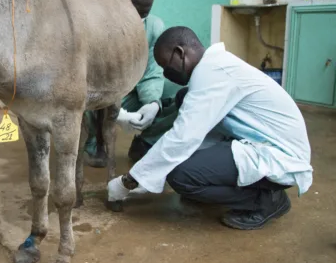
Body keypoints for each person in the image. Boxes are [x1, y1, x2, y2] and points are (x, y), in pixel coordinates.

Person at [108, 26, 313, 230]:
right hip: (264, 140)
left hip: (281, 156)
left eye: (165, 65)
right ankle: (222, 186)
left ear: (180, 53)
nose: (165, 73)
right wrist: (152, 170)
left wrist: (129, 181)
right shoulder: (214, 67)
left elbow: (182, 138)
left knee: (180, 175)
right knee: (183, 100)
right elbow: (193, 127)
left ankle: (266, 201)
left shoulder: (212, 74)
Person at [84, 0, 171, 167]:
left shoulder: (154, 27)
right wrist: (115, 109)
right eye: (134, 11)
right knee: (84, 103)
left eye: (144, 13)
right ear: (121, 1)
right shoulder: (99, 25)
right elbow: (89, 80)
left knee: (173, 96)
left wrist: (152, 104)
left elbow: (152, 73)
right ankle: (92, 142)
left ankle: (144, 142)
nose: (138, 18)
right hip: (98, 94)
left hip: (129, 92)